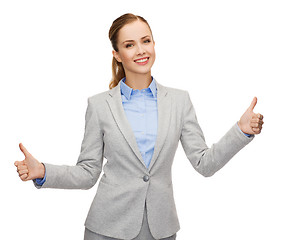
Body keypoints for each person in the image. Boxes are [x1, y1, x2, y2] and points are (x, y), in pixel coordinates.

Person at [14, 13, 264, 240]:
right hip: (106, 229)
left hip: (161, 230)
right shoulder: (100, 105)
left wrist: (240, 131)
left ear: (154, 44)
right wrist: (43, 171)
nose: (140, 50)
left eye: (146, 41)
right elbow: (88, 172)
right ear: (116, 54)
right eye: (129, 45)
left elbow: (204, 163)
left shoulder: (179, 101)